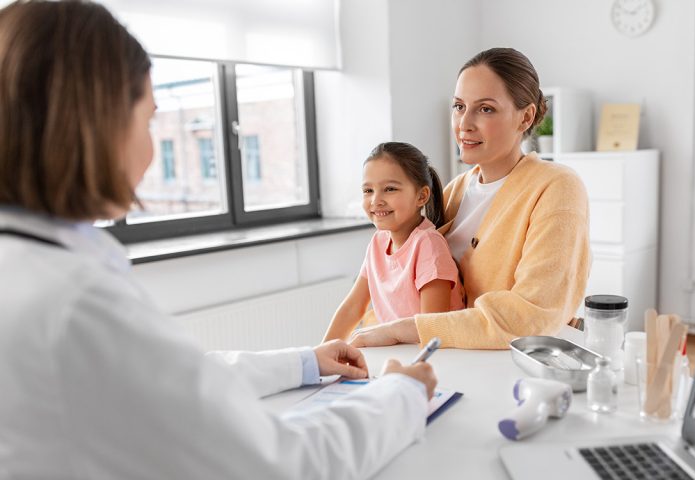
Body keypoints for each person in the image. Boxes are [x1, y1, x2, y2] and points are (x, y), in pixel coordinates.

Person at [0, 1, 436, 479]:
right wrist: (401, 395)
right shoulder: (73, 304)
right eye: (147, 121)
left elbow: (170, 382)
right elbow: (280, 465)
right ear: (94, 124)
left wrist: (305, 361)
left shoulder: (32, 269)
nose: (149, 151)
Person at [349, 47, 591, 350]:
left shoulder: (557, 187)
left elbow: (531, 315)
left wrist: (402, 331)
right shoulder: (454, 191)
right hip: (448, 357)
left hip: (513, 364)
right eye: (459, 106)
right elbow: (400, 285)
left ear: (525, 117)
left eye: (485, 109)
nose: (464, 123)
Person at [323, 142, 464, 342]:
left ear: (422, 196)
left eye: (389, 189)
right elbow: (353, 306)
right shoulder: (378, 243)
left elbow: (432, 328)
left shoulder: (428, 245)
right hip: (397, 351)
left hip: (432, 355)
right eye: (368, 190)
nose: (375, 200)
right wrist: (321, 353)